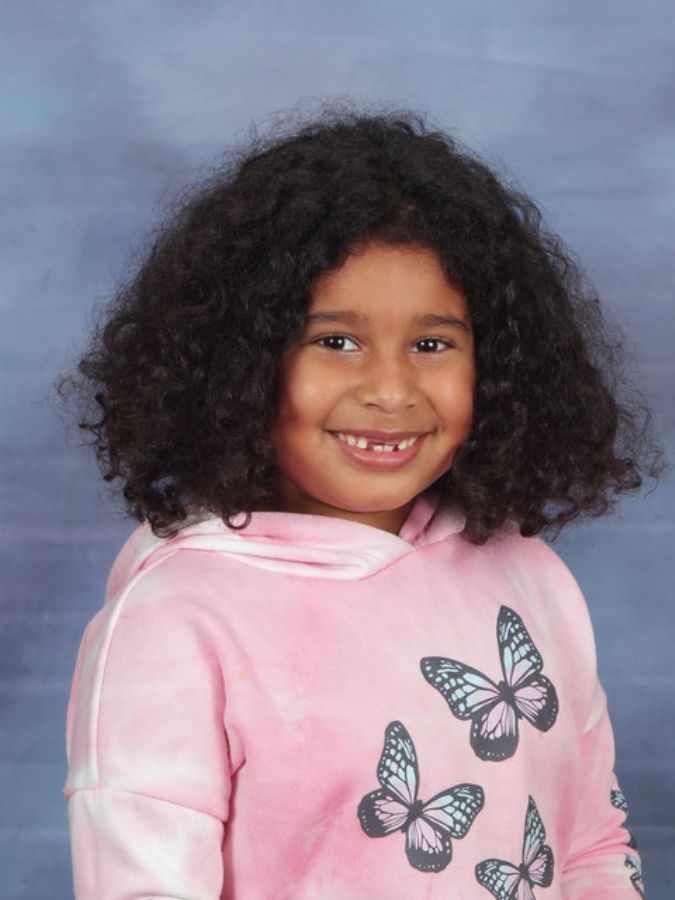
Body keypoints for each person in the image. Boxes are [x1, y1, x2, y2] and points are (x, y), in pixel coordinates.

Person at [59, 107, 661, 899]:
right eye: (335, 341)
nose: (389, 390)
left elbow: (589, 845)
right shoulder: (177, 622)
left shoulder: (528, 575)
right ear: (241, 363)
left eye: (431, 344)